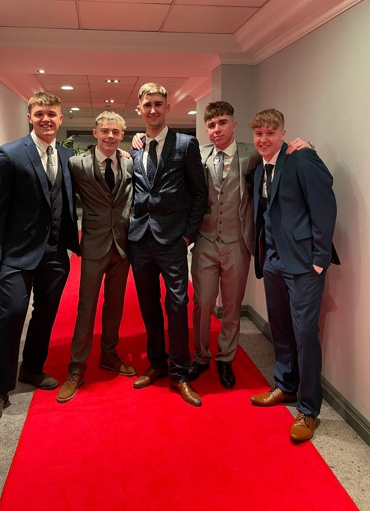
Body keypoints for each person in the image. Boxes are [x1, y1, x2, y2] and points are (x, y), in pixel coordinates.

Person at [189, 101, 312, 389]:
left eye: (222, 123)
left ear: (233, 125)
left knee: (232, 306)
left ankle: (225, 358)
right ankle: (201, 356)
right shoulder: (198, 154)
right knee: (202, 303)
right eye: (211, 125)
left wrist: (306, 146)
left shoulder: (252, 153)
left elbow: (280, 152)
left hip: (238, 242)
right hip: (205, 240)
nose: (217, 129)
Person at [0, 92, 80, 424]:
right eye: (40, 114)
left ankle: (32, 368)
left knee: (46, 313)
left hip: (55, 253)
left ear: (60, 119)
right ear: (30, 117)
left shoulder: (67, 156)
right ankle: (1, 388)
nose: (46, 119)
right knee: (12, 314)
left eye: (51, 114)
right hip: (15, 254)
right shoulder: (9, 155)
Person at [248, 108, 339, 442]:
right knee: (281, 328)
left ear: (283, 134)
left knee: (304, 335)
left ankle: (308, 409)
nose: (264, 139)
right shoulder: (260, 168)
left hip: (303, 264)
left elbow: (325, 206)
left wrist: (319, 259)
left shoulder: (301, 159)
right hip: (273, 260)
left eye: (270, 133)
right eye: (259, 134)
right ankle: (285, 385)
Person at [128, 83, 208, 407]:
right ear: (139, 108)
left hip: (173, 239)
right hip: (139, 240)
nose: (153, 110)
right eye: (147, 105)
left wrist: (188, 234)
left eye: (158, 104)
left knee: (177, 305)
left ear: (167, 107)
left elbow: (200, 193)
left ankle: (180, 372)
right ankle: (157, 363)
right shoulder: (136, 147)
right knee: (148, 306)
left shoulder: (186, 144)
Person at [57, 111, 136, 403]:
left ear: (122, 135)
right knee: (86, 306)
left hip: (123, 245)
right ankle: (77, 368)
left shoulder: (129, 162)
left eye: (116, 132)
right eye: (105, 131)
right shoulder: (77, 164)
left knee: (115, 304)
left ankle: (109, 354)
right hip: (93, 244)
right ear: (95, 133)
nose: (110, 136)